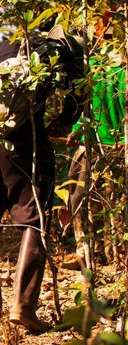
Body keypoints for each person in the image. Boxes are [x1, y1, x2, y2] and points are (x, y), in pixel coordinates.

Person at [0, 25, 85, 332]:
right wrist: (61, 125)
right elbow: (77, 97)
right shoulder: (61, 54)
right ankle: (24, 308)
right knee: (36, 218)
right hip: (25, 143)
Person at [64, 20, 125, 271]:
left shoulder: (123, 73)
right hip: (92, 145)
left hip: (118, 147)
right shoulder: (94, 71)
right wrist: (78, 130)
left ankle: (117, 255)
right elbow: (89, 107)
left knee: (116, 204)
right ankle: (87, 252)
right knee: (78, 196)